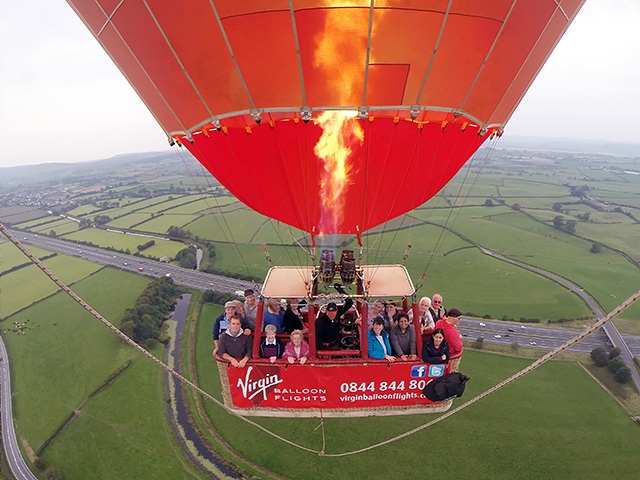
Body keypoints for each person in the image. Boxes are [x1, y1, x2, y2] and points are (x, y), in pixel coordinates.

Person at [434, 307, 463, 371]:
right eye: (459, 318)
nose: (460, 320)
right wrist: (459, 338)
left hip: (436, 350)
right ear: (453, 318)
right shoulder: (452, 332)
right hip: (447, 355)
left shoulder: (439, 323)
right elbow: (458, 347)